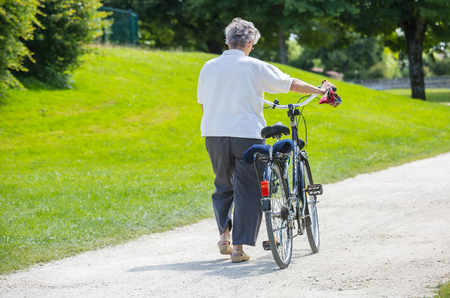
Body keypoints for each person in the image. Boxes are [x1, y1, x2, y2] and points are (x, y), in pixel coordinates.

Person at [197, 17, 334, 263]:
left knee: (222, 186)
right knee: (248, 189)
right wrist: (320, 90)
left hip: (214, 133)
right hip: (247, 135)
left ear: (227, 41)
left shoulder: (208, 66)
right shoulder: (255, 66)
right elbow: (289, 84)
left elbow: (204, 104)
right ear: (249, 43)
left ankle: (224, 237)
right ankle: (238, 249)